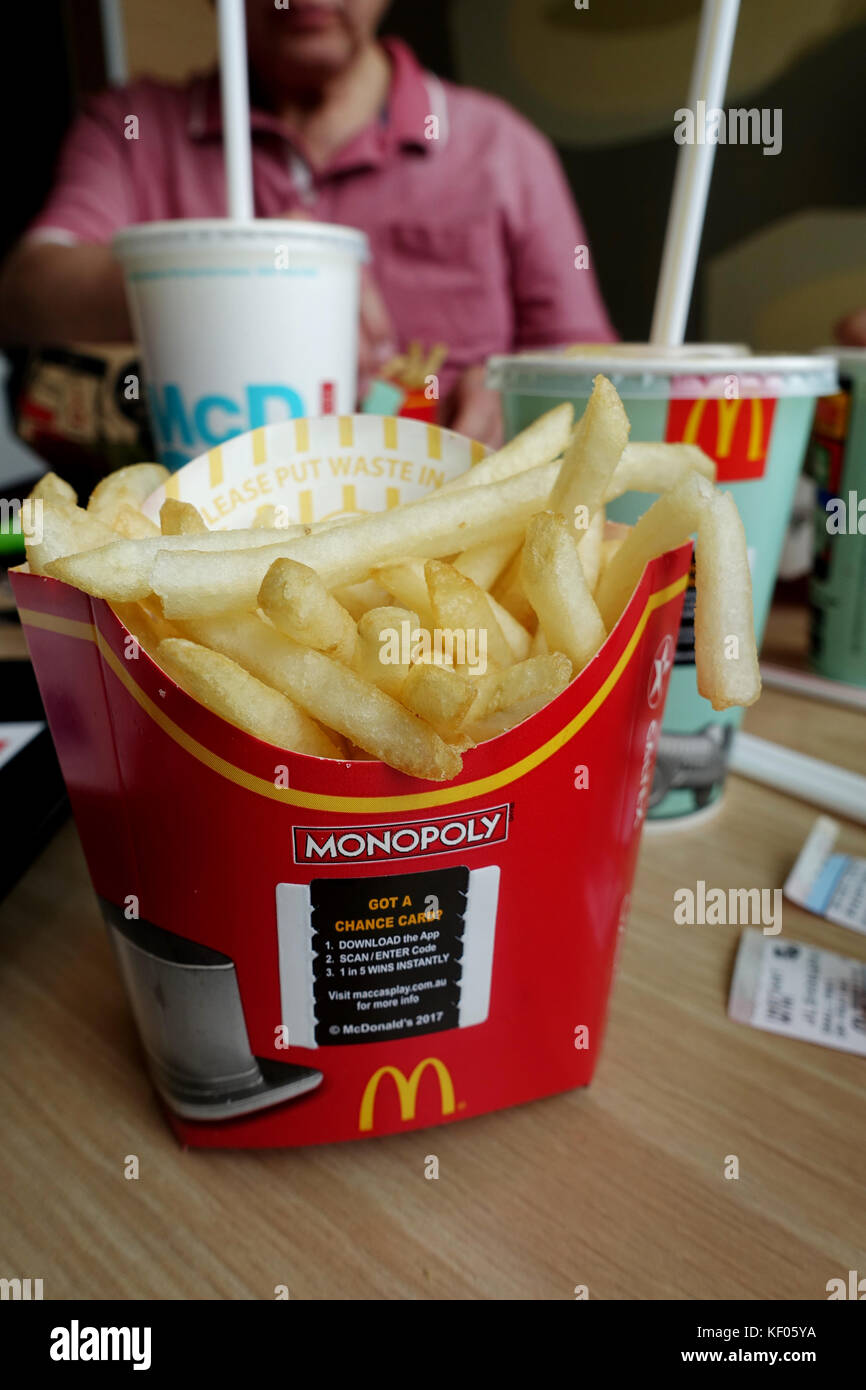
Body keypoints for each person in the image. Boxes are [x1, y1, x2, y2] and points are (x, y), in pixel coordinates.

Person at [0, 0, 615, 445]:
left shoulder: (500, 147)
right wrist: (231, 279)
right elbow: (26, 291)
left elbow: (600, 377)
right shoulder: (132, 128)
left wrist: (519, 395)